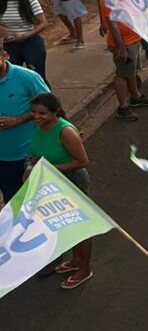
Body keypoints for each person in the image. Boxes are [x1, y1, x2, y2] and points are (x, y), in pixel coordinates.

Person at [28, 92, 92, 288]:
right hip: (51, 183)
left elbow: (83, 161)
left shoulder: (65, 132)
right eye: (34, 112)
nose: (37, 117)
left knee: (80, 228)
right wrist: (31, 169)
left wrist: (50, 169)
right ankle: (75, 260)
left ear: (55, 112)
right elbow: (37, 154)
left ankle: (85, 269)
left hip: (73, 182)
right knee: (65, 224)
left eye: (43, 113)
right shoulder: (37, 126)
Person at [0, 48, 49, 201]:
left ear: (5, 56)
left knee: (25, 203)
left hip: (23, 156)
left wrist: (17, 120)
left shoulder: (27, 77)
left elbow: (49, 107)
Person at [97, 0, 148, 122]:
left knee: (131, 72)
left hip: (133, 38)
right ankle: (123, 107)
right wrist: (121, 47)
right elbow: (112, 24)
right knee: (122, 75)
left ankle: (136, 96)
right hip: (124, 43)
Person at [0, 0, 47, 83]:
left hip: (31, 43)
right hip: (10, 46)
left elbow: (43, 23)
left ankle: (45, 99)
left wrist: (25, 35)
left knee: (37, 76)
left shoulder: (30, 1)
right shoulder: (1, 4)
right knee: (12, 77)